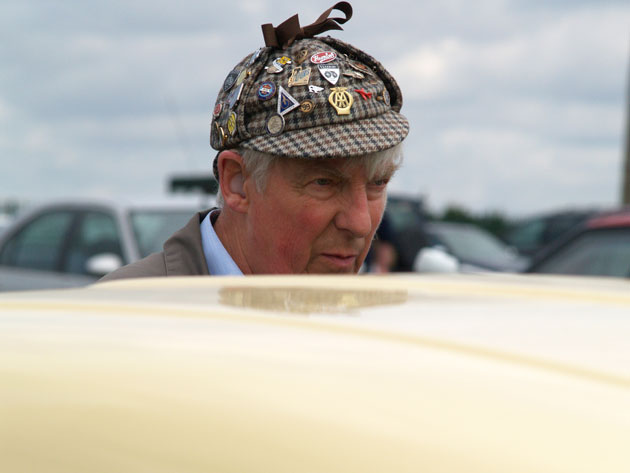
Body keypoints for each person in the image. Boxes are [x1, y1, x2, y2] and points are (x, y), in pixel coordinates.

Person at [101, 1, 409, 281]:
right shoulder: (120, 318)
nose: (360, 223)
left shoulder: (381, 327)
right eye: (324, 182)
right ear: (236, 182)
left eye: (378, 183)